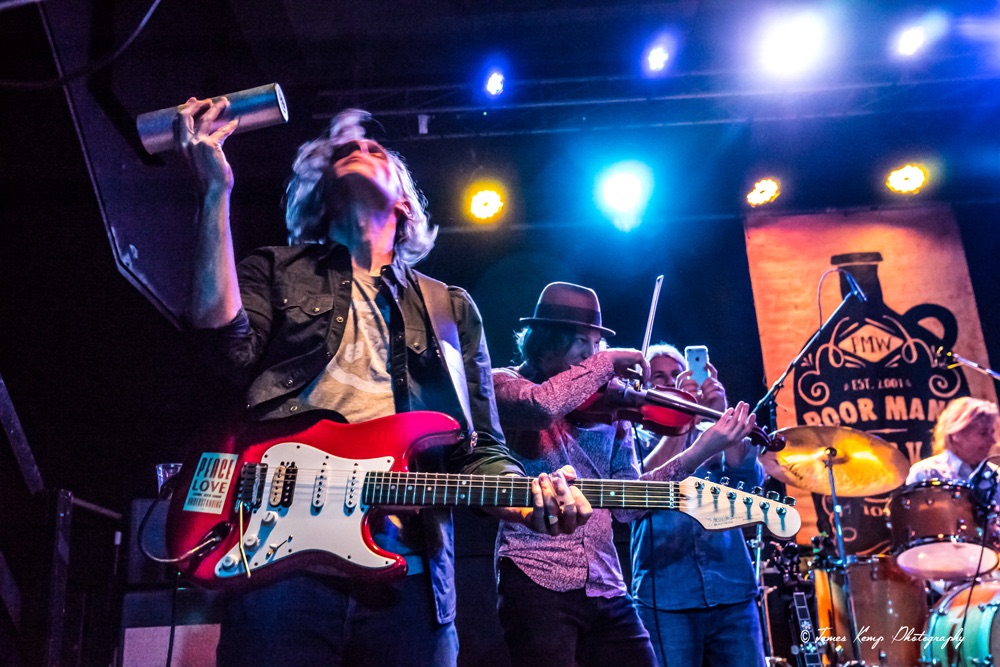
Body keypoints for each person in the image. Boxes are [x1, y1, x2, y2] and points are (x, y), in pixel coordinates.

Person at [175, 99, 592, 666]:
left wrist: (531, 505)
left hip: (410, 573)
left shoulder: (451, 307)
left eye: (375, 148)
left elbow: (481, 448)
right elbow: (219, 347)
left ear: (404, 200)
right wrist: (214, 193)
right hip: (276, 561)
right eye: (344, 148)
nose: (358, 147)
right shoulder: (274, 268)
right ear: (320, 194)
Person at [491, 283, 757, 667]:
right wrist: (607, 361)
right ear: (546, 340)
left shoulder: (611, 406)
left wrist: (703, 448)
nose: (590, 353)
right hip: (536, 577)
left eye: (596, 344)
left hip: (606, 584)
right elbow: (542, 407)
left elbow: (630, 506)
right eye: (582, 341)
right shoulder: (506, 384)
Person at [629, 344, 766, 667]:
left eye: (678, 375)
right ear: (645, 386)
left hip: (732, 589)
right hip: (666, 595)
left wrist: (721, 414)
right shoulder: (632, 433)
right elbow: (639, 490)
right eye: (659, 377)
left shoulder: (713, 433)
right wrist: (681, 420)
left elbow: (750, 484)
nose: (670, 382)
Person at [907, 396, 999, 485]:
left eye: (992, 433)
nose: (993, 441)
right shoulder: (926, 473)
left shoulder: (996, 476)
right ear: (957, 434)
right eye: (983, 433)